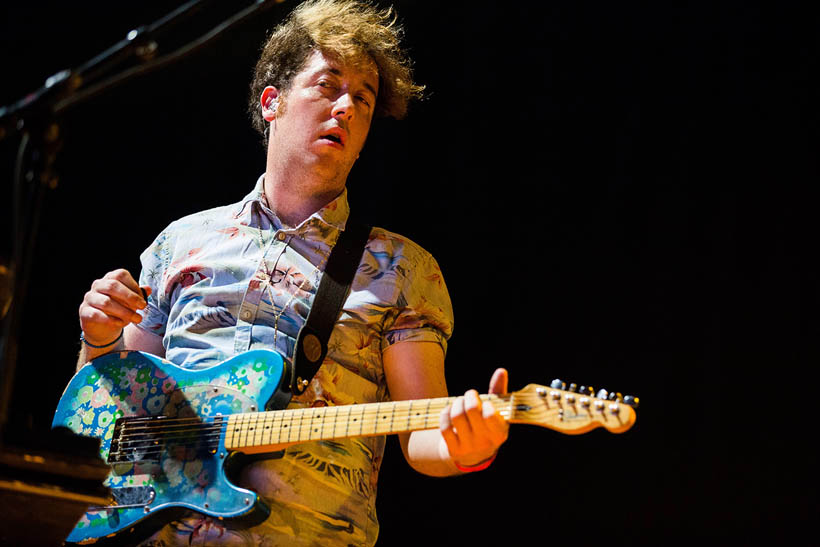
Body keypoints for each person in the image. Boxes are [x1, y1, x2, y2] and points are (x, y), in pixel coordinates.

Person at [76, 0, 509, 544]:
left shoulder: (402, 269)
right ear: (272, 103)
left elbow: (423, 436)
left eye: (363, 99)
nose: (346, 108)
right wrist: (98, 341)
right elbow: (116, 423)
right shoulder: (180, 242)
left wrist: (466, 444)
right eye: (329, 86)